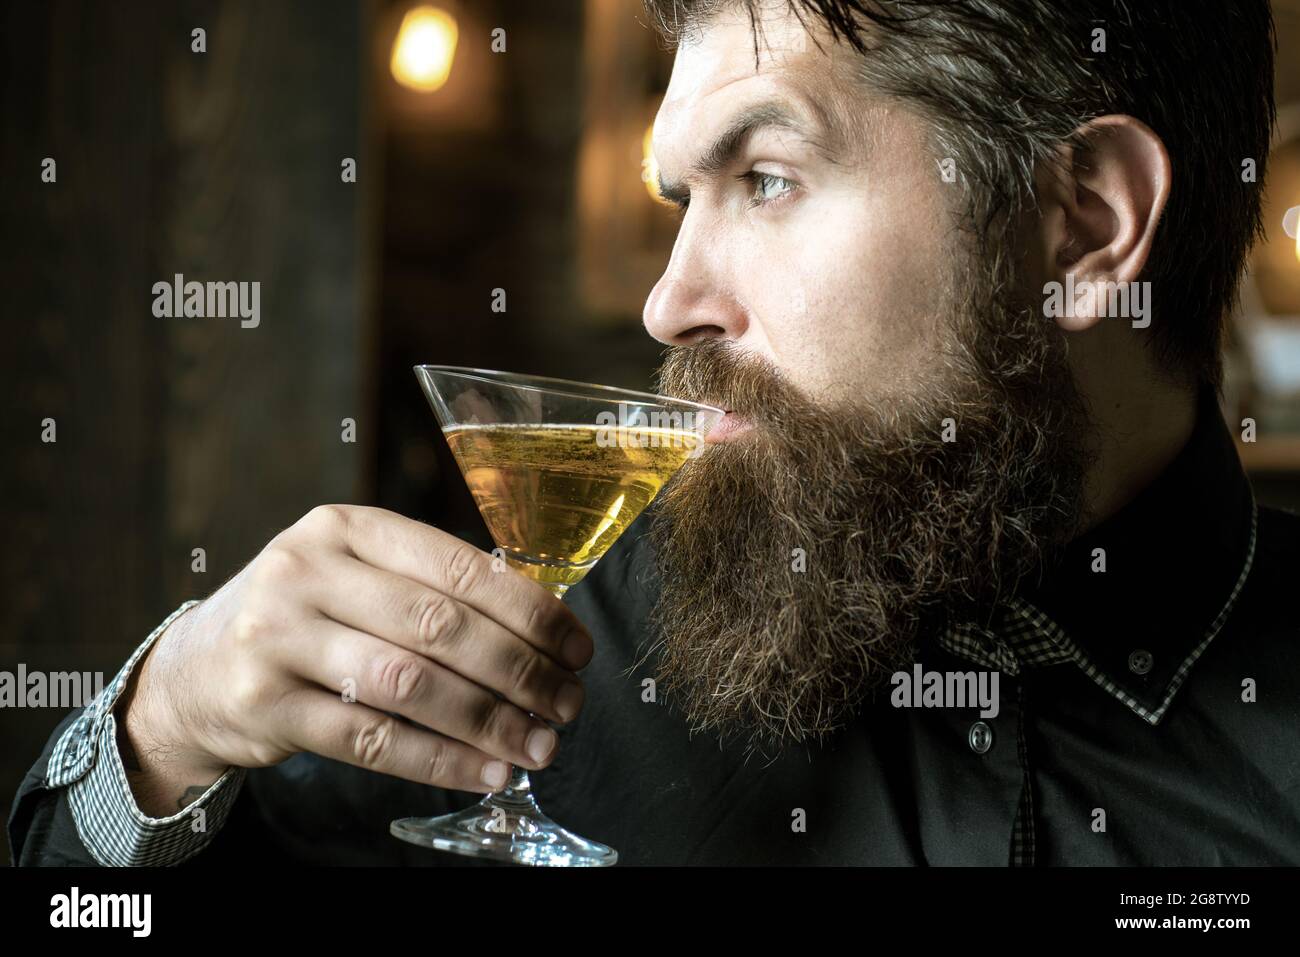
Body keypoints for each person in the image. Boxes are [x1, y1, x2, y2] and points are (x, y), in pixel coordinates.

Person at [10, 0, 1299, 866]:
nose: (667, 303)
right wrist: (165, 728)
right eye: (682, 196)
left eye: (769, 179)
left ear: (1081, 225)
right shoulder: (563, 644)